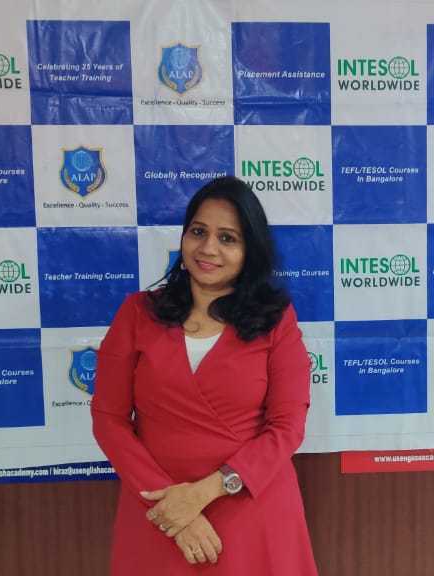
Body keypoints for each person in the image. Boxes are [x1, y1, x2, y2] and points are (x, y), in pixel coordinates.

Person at [92, 176, 317, 575]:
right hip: (158, 510)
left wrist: (203, 493)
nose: (208, 248)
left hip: (250, 507)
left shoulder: (276, 321)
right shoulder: (137, 313)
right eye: (198, 232)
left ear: (250, 250)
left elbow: (287, 428)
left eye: (228, 238)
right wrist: (173, 509)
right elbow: (109, 419)